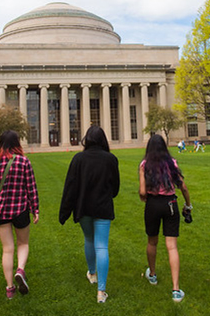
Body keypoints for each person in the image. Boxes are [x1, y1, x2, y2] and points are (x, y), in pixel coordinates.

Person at [60, 126, 120, 303]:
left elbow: (70, 188)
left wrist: (64, 212)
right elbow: (115, 187)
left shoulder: (79, 159)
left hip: (84, 208)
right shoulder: (110, 159)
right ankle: (101, 292)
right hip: (102, 207)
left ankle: (92, 273)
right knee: (101, 246)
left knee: (89, 239)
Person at [0, 130, 40, 300]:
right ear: (17, 144)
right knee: (23, 243)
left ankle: (10, 288)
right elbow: (31, 187)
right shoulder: (24, 162)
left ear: (1, 144)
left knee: (7, 249)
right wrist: (35, 209)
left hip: (1, 211)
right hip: (21, 209)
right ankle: (20, 270)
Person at [139, 134, 192, 302]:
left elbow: (142, 192)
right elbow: (182, 186)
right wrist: (188, 205)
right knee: (172, 247)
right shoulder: (172, 163)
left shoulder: (144, 165)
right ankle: (176, 289)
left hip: (152, 204)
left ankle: (152, 274)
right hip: (170, 204)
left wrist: (145, 196)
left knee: (152, 241)